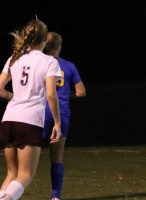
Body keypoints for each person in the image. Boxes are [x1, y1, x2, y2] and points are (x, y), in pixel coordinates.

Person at [0, 18, 61, 200]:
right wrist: (57, 123)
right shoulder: (49, 62)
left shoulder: (14, 58)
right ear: (45, 40)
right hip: (29, 121)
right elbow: (51, 94)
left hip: (8, 120)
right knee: (25, 175)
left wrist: (14, 97)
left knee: (12, 174)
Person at [43, 32, 86, 200]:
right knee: (57, 157)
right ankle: (55, 196)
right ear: (59, 47)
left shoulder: (38, 63)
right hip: (61, 113)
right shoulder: (69, 66)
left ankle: (13, 190)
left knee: (27, 155)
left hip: (40, 111)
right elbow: (81, 92)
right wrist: (67, 95)